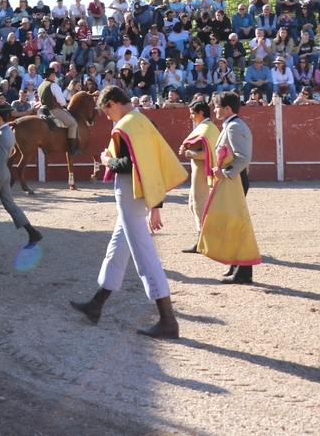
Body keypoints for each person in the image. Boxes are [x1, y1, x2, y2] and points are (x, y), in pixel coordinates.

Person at [69, 86, 188, 339]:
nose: (109, 118)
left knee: (143, 252)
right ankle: (96, 304)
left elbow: (127, 165)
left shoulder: (125, 125)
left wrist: (106, 161)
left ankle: (168, 320)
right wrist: (156, 204)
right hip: (140, 192)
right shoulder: (144, 121)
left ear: (113, 103)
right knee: (118, 246)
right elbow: (152, 164)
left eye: (106, 112)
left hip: (131, 192)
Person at [198, 92, 261, 284]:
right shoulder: (231, 126)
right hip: (231, 180)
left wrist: (225, 173)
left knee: (237, 223)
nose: (214, 109)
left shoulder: (234, 127)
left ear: (227, 108)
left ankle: (244, 271)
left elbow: (243, 158)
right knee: (231, 221)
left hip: (235, 179)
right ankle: (236, 264)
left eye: (217, 106)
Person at [0, 104, 44, 249]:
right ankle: (32, 232)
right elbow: (0, 158)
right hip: (4, 172)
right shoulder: (7, 132)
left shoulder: (2, 135)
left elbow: (1, 160)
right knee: (10, 205)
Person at [178, 99, 220, 253]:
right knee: (193, 203)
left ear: (201, 113)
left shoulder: (206, 129)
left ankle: (203, 241)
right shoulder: (209, 128)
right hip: (200, 171)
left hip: (201, 171)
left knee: (199, 204)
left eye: (192, 113)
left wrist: (188, 153)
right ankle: (204, 238)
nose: (191, 117)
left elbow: (206, 154)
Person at [36, 66, 81, 154]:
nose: (55, 76)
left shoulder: (41, 86)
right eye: (54, 75)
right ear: (51, 75)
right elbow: (61, 101)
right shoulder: (53, 85)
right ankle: (72, 149)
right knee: (73, 123)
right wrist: (65, 104)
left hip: (43, 111)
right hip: (54, 110)